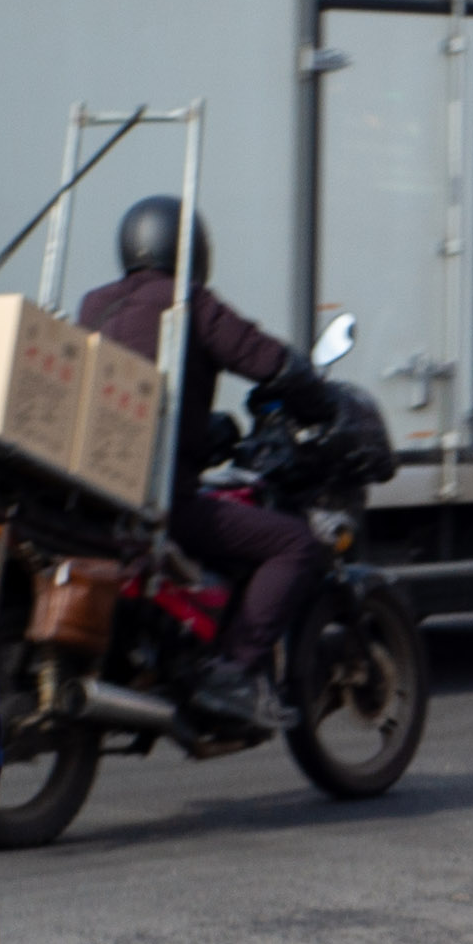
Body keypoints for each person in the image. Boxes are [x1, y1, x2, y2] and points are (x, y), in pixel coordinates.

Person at [78, 195, 320, 738]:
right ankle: (232, 671)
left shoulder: (94, 305)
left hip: (93, 495)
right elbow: (266, 360)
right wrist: (319, 395)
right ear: (191, 249)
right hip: (159, 499)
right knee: (294, 543)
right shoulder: (189, 303)